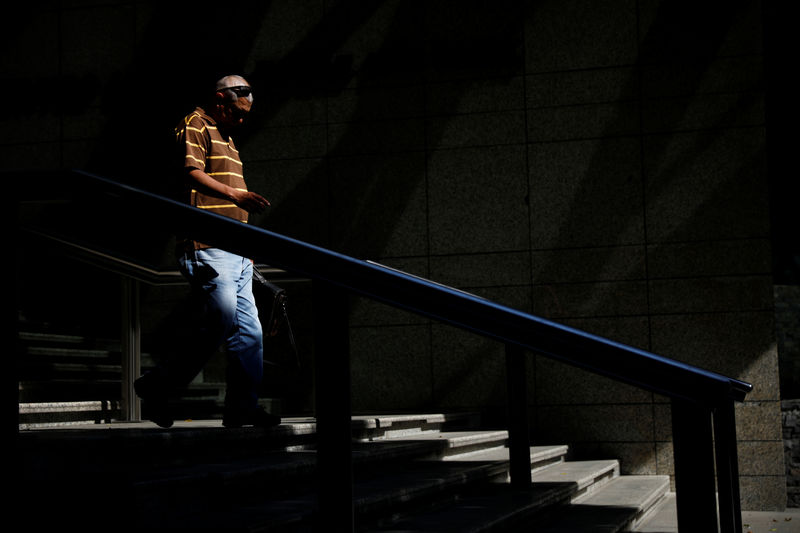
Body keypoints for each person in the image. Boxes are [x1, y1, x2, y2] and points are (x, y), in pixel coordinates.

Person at [134, 74, 280, 429]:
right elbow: (191, 173)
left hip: (237, 251)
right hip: (208, 245)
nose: (241, 120)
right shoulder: (195, 124)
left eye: (245, 114)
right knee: (221, 319)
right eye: (236, 111)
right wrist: (236, 196)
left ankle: (242, 407)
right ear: (219, 99)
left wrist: (247, 249)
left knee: (251, 332)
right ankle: (158, 386)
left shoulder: (229, 138)